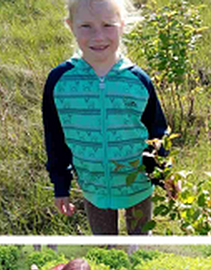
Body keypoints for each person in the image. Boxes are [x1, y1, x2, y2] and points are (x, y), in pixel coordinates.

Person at [42, 0, 169, 235]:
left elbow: (157, 132)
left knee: (140, 241)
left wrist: (164, 175)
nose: (98, 36)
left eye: (108, 25)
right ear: (71, 26)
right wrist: (61, 186)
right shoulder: (60, 82)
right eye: (86, 26)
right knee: (104, 242)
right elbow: (55, 137)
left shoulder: (138, 81)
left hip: (137, 185)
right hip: (94, 188)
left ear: (122, 25)